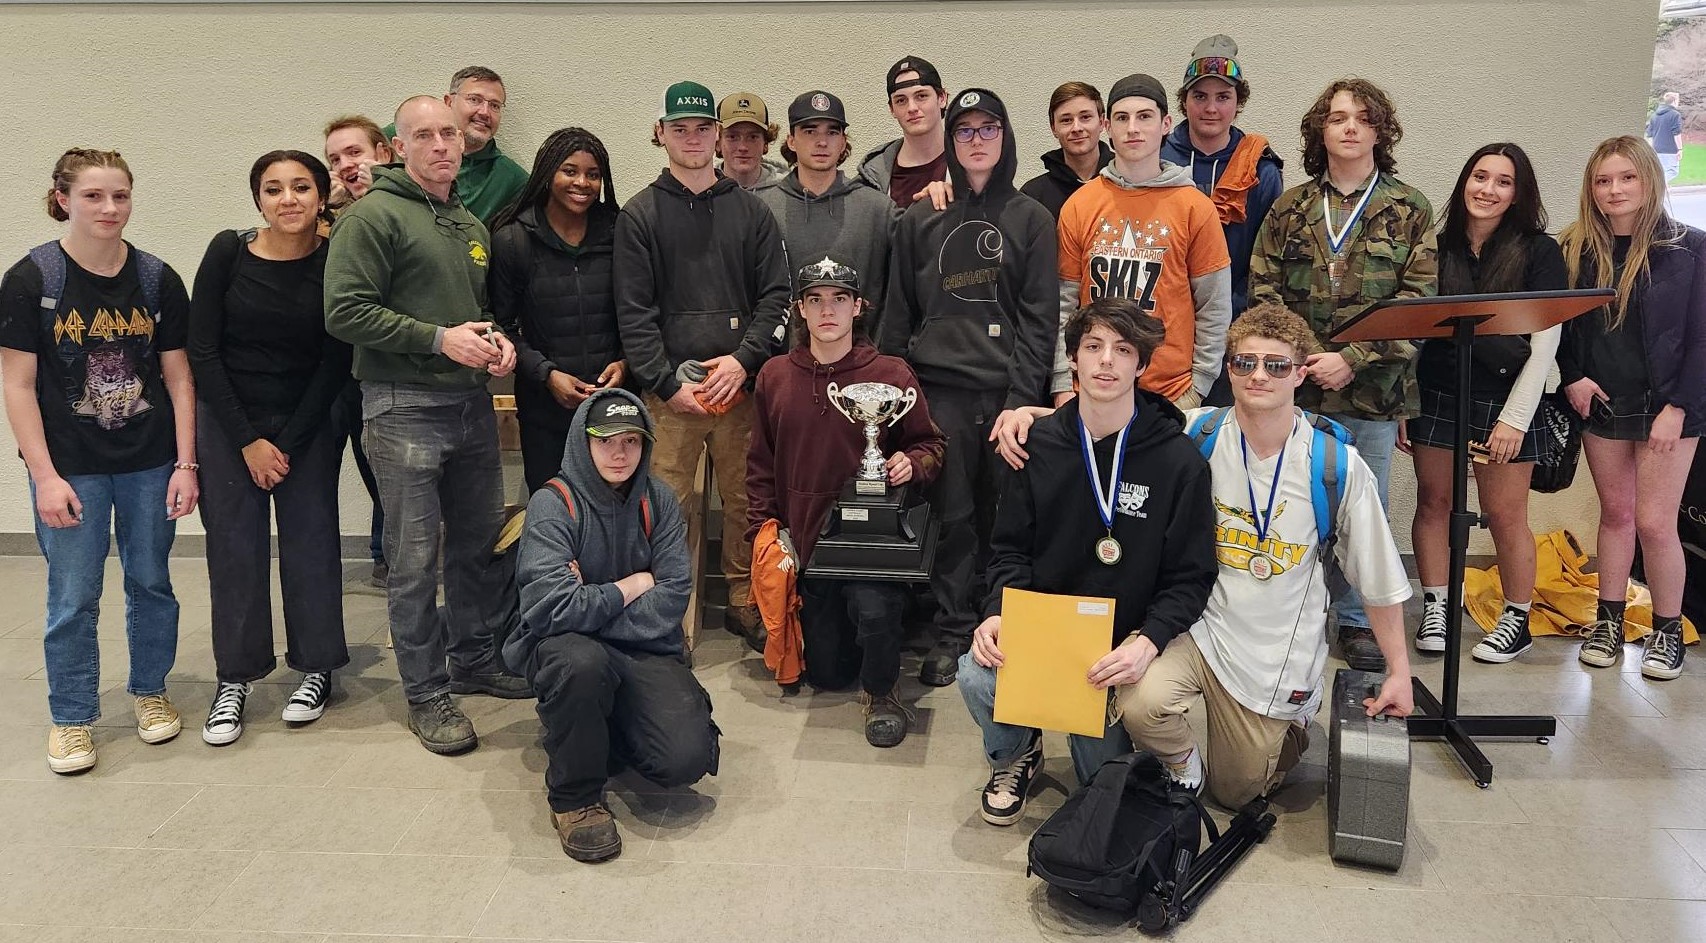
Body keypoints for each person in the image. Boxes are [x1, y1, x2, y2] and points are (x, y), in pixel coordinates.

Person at [1119, 303, 1412, 807]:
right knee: (1140, 704)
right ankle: (1182, 761)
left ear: (1301, 374)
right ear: (1228, 368)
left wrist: (1400, 672)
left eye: (1275, 365)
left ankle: (1290, 726)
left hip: (1277, 651)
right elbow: (1103, 425)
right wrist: (1026, 416)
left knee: (1237, 793)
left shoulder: (1334, 464)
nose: (1258, 376)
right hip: (1201, 631)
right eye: (1244, 362)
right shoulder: (1196, 434)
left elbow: (1380, 580)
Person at [325, 95, 530, 757]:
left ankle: (473, 657)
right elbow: (345, 312)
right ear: (396, 147)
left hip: (469, 405)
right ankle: (426, 692)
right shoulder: (374, 217)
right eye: (425, 135)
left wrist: (494, 344)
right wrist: (440, 340)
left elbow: (473, 313)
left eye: (449, 132)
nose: (442, 144)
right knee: (415, 561)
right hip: (402, 405)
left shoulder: (466, 221)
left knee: (477, 545)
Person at [960, 297, 1216, 824]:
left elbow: (1191, 577)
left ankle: (1106, 745)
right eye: (1092, 347)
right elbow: (1008, 550)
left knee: (1100, 790)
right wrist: (995, 612)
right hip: (1051, 637)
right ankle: (1016, 755)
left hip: (1120, 646)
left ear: (1142, 365)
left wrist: (1148, 643)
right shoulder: (1037, 446)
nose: (1106, 361)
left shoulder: (1177, 460)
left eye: (1123, 350)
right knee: (976, 673)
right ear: (1072, 358)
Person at [1, 148, 199, 773]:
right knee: (73, 595)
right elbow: (16, 385)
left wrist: (185, 463)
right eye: (93, 196)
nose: (110, 209)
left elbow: (179, 378)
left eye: (120, 196)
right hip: (71, 468)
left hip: (149, 462)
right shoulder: (33, 281)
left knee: (151, 583)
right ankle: (72, 718)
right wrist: (44, 478)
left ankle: (150, 691)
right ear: (63, 199)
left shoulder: (156, 278)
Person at [1249, 78, 1437, 672]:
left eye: (1362, 118)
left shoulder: (1409, 208)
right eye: (1336, 118)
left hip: (1374, 395)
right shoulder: (1292, 206)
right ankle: (1297, 610)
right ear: (1320, 132)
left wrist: (1350, 360)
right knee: (1292, 503)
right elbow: (1262, 290)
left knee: (1367, 512)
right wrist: (1306, 358)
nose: (1349, 127)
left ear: (1380, 131)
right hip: (1296, 391)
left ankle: (1357, 620)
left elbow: (1420, 303)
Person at [879, 87, 1058, 687]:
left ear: (1005, 137)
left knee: (1007, 518)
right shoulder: (922, 218)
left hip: (1009, 397)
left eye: (988, 129)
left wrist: (1021, 402)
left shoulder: (1033, 219)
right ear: (951, 143)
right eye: (965, 131)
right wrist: (895, 397)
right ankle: (954, 629)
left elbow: (1040, 320)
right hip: (939, 392)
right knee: (952, 516)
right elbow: (897, 314)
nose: (976, 141)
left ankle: (1002, 624)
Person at [506, 389, 719, 862]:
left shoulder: (659, 501)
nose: (619, 453)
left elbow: (670, 600)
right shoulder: (552, 504)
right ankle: (575, 799)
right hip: (570, 650)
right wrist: (630, 586)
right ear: (584, 443)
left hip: (637, 647)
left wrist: (588, 603)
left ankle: (592, 724)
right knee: (581, 663)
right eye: (605, 441)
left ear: (645, 445)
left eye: (631, 441)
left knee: (684, 759)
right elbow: (547, 608)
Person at [614, 80, 791, 652]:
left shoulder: (752, 212)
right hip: (672, 399)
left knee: (745, 501)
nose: (692, 138)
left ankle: (744, 601)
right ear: (660, 133)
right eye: (680, 128)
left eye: (702, 128)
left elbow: (776, 296)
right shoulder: (639, 215)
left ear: (717, 136)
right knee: (665, 506)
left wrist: (743, 363)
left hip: (738, 391)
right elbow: (633, 312)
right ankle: (667, 612)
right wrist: (666, 384)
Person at [747, 258, 945, 746]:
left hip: (870, 546)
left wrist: (910, 464)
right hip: (808, 542)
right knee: (829, 675)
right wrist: (763, 533)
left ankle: (883, 690)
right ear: (800, 310)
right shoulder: (774, 376)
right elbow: (760, 464)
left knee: (875, 609)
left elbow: (931, 445)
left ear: (858, 308)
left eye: (839, 299)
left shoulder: (890, 373)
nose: (827, 310)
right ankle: (857, 650)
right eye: (815, 300)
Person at [190, 151, 352, 745]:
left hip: (307, 419)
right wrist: (249, 440)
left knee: (312, 540)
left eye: (302, 187)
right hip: (230, 419)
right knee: (235, 547)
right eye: (274, 188)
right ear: (258, 198)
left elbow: (337, 359)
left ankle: (315, 668)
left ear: (321, 196)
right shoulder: (227, 252)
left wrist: (286, 441)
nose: (289, 199)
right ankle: (235, 677)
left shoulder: (337, 261)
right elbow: (201, 350)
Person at [1406, 144, 1565, 664]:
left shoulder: (1539, 251)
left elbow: (1546, 340)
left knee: (1503, 514)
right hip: (1437, 392)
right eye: (1480, 176)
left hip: (1506, 401)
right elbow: (1411, 329)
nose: (1488, 189)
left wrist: (1514, 420)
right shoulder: (1437, 244)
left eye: (1503, 181)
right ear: (1464, 181)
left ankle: (1516, 617)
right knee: (1433, 503)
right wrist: (1407, 403)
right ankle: (1437, 608)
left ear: (1518, 193)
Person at [1559, 135, 1705, 680]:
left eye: (1627, 178)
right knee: (1616, 515)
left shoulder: (1691, 248)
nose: (1614, 190)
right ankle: (1608, 621)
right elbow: (1561, 326)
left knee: (1655, 522)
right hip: (1602, 401)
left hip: (1670, 406)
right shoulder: (1574, 248)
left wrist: (1680, 408)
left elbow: (1701, 338)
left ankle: (1668, 631)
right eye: (1603, 180)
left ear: (1649, 180)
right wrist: (1572, 377)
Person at [1050, 73, 1232, 412]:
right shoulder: (1079, 204)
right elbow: (1063, 305)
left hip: (1171, 395)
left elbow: (1215, 307)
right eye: (1122, 118)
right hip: (1091, 391)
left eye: (1144, 116)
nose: (1133, 128)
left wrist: (1198, 387)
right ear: (1107, 126)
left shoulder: (1195, 207)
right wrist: (1063, 383)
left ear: (1165, 124)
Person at [490, 128, 626, 493]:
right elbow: (500, 326)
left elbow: (641, 310)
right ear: (548, 173)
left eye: (593, 174)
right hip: (543, 408)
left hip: (613, 404)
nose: (582, 182)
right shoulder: (513, 240)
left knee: (613, 512)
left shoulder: (621, 233)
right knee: (553, 510)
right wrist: (547, 374)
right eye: (569, 170)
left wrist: (626, 362)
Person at [1159, 35, 1284, 336]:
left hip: (1233, 320)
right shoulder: (1156, 157)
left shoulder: (1260, 170)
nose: (1211, 108)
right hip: (1161, 319)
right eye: (1200, 96)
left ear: (1239, 102)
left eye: (1223, 97)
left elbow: (1266, 259)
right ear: (1184, 101)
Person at [754, 90, 894, 330]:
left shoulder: (878, 209)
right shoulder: (761, 206)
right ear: (791, 140)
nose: (822, 142)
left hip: (861, 362)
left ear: (842, 142)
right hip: (781, 361)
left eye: (832, 132)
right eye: (810, 131)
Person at [323, 116, 391, 585]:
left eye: (354, 153)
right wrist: (325, 210)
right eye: (335, 158)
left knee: (388, 473)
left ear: (384, 152)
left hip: (385, 364)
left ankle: (388, 553)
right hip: (334, 369)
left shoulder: (404, 204)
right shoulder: (325, 216)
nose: (346, 165)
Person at [381, 66, 528, 225]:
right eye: (474, 99)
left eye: (495, 105)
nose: (485, 112)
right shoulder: (397, 138)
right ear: (448, 102)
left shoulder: (510, 178)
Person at [858, 56, 949, 208]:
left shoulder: (971, 161)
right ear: (892, 109)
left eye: (921, 96)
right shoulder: (873, 175)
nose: (912, 108)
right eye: (901, 100)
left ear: (942, 98)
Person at [1020, 81, 1113, 219]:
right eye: (1066, 120)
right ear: (1053, 129)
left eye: (1085, 117)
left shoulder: (1126, 183)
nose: (1076, 128)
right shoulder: (1033, 196)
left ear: (1101, 122)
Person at [323, 114, 393, 212]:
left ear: (385, 155)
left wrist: (381, 189)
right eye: (336, 160)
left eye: (354, 152)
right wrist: (328, 209)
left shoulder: (415, 194)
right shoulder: (333, 211)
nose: (344, 165)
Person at [717, 92, 786, 190]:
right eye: (732, 137)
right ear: (718, 142)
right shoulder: (701, 191)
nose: (743, 147)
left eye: (752, 137)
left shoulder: (788, 191)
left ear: (765, 143)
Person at [1647, 92, 1684, 183]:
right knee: (1672, 171)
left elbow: (1650, 134)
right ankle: (1657, 185)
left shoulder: (1654, 115)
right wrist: (1679, 149)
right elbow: (1676, 133)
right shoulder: (1675, 115)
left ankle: (1662, 193)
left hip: (1656, 149)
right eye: (1678, 100)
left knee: (1661, 172)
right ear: (1674, 101)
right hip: (1670, 150)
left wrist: (1651, 148)